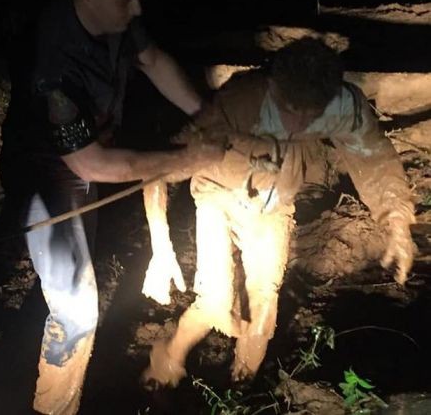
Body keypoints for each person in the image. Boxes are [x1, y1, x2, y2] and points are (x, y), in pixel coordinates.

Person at [0, 0, 225, 414]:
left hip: (84, 162)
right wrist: (184, 159)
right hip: (46, 173)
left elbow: (154, 61)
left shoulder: (115, 21)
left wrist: (207, 114)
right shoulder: (55, 65)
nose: (138, 8)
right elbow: (91, 164)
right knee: (76, 307)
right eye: (128, 0)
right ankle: (53, 408)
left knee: (80, 277)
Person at [140, 37, 417, 388]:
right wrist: (161, 248)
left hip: (274, 203)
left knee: (264, 303)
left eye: (311, 113)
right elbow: (156, 170)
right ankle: (166, 364)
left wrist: (397, 221)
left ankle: (241, 385)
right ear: (273, 86)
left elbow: (373, 154)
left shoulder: (340, 106)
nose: (298, 123)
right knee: (214, 300)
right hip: (219, 193)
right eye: (289, 108)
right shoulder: (237, 104)